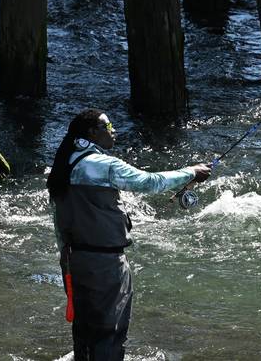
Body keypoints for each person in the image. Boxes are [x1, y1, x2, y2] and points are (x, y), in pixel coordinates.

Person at [47, 108, 211, 361]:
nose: (114, 132)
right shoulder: (102, 165)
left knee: (84, 331)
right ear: (92, 132)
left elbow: (60, 222)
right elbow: (149, 182)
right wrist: (191, 172)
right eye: (108, 126)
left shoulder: (65, 164)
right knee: (108, 332)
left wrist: (64, 259)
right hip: (104, 264)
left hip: (73, 259)